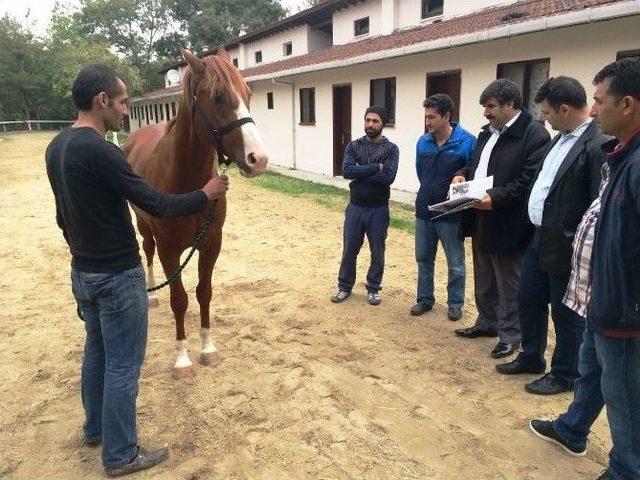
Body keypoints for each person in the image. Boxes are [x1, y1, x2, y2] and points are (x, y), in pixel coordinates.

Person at [45, 64, 229, 477]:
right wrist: (205, 193)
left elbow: (61, 217)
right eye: (124, 101)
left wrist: (83, 257)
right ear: (102, 100)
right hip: (118, 276)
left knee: (97, 351)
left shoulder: (56, 147)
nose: (127, 111)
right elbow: (157, 204)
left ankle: (95, 429)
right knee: (124, 364)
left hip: (84, 272)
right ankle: (122, 454)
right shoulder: (103, 152)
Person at [529, 58, 640, 480]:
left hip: (624, 309)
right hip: (603, 298)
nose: (592, 111)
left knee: (625, 394)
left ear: (626, 104)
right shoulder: (623, 154)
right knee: (591, 369)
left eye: (598, 101)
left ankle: (626, 470)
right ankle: (573, 429)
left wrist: (628, 302)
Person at [496, 76, 607, 395]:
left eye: (547, 112)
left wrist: (577, 243)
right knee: (528, 299)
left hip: (567, 244)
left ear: (564, 108)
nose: (543, 119)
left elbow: (595, 201)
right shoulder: (560, 138)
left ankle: (565, 374)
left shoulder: (596, 144)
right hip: (539, 239)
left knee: (565, 313)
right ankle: (532, 357)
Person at [453, 79, 550, 359]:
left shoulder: (535, 136)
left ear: (511, 104)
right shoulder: (488, 133)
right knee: (484, 277)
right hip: (480, 216)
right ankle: (487, 323)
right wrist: (463, 172)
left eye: (491, 106)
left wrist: (495, 198)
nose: (486, 112)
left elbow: (527, 182)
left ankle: (511, 336)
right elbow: (478, 166)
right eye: (484, 106)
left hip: (508, 222)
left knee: (509, 283)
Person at [411, 94, 476, 320]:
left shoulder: (467, 141)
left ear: (447, 116)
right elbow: (421, 172)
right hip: (424, 209)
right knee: (423, 258)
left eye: (432, 117)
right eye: (426, 117)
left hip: (451, 213)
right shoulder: (423, 141)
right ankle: (425, 299)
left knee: (455, 262)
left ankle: (455, 303)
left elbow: (472, 171)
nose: (427, 122)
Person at [331, 105, 399, 306]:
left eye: (375, 121)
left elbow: (388, 176)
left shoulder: (391, 149)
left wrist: (361, 170)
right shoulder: (353, 146)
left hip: (378, 209)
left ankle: (373, 288)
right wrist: (375, 167)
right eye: (367, 120)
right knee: (349, 249)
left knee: (377, 250)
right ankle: (344, 286)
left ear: (383, 124)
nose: (370, 124)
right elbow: (346, 171)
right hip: (355, 207)